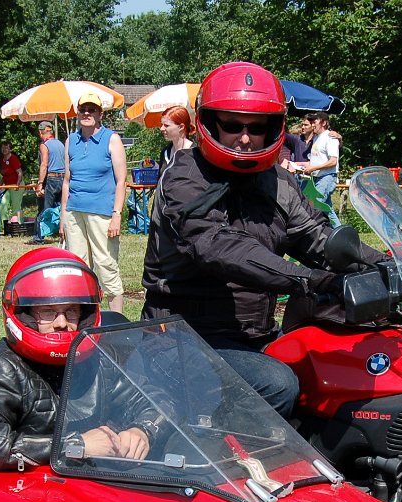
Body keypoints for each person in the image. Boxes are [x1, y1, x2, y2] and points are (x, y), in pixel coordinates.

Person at [141, 61, 381, 417]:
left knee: (338, 367)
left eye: (257, 127)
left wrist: (391, 266)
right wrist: (313, 281)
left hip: (254, 336)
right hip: (180, 338)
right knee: (276, 383)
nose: (244, 137)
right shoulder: (184, 178)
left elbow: (318, 238)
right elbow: (221, 248)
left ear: (274, 129)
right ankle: (235, 468)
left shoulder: (277, 182)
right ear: (208, 122)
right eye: (233, 125)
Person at [0, 248, 168, 471]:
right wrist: (75, 445)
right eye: (47, 312)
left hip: (89, 489)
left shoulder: (97, 361)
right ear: (24, 314)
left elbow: (159, 403)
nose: (61, 323)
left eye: (71, 311)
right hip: (33, 496)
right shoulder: (1, 368)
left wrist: (143, 431)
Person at [60, 93, 127, 312]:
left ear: (100, 114)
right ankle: (86, 316)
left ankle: (116, 320)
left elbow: (121, 181)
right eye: (82, 109)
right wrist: (63, 216)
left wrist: (117, 214)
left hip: (102, 213)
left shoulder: (112, 139)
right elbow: (67, 182)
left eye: (92, 109)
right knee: (78, 266)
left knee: (106, 264)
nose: (86, 113)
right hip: (74, 211)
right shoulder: (71, 140)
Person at [298, 111, 341, 226]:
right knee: (327, 209)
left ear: (324, 122)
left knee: (315, 204)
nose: (312, 124)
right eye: (311, 122)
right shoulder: (317, 137)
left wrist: (313, 168)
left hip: (327, 177)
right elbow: (316, 160)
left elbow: (333, 161)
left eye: (314, 121)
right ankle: (341, 233)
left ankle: (314, 232)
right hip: (317, 177)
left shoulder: (330, 137)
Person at [31, 121, 65, 243]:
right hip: (63, 178)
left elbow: (44, 164)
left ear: (41, 133)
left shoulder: (44, 145)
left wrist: (40, 183)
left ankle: (38, 237)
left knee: (45, 208)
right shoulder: (61, 144)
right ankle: (64, 234)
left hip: (51, 179)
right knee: (62, 208)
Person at [157, 106, 196, 179]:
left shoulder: (196, 153)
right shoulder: (165, 152)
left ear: (181, 127)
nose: (161, 128)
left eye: (166, 125)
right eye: (162, 125)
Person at [0, 141, 24, 224]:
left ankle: (17, 225)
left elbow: (19, 173)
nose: (4, 150)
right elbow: (5, 175)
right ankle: (5, 226)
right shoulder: (2, 160)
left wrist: (17, 184)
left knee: (16, 206)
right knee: (3, 204)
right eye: (2, 148)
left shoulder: (13, 158)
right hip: (8, 186)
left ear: (10, 149)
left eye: (6, 148)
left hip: (16, 185)